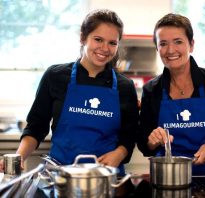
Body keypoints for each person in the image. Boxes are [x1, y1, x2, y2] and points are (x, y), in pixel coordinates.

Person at [0, 9, 139, 175]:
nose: (105, 48)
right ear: (82, 38)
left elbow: (130, 134)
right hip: (61, 176)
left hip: (106, 177)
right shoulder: (55, 76)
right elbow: (36, 127)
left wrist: (119, 153)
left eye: (112, 43)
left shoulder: (125, 86)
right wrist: (18, 157)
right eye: (98, 39)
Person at [137, 13, 205, 176]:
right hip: (168, 177)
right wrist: (152, 142)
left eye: (178, 42)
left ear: (191, 44)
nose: (170, 50)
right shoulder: (152, 90)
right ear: (157, 48)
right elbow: (144, 145)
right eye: (163, 44)